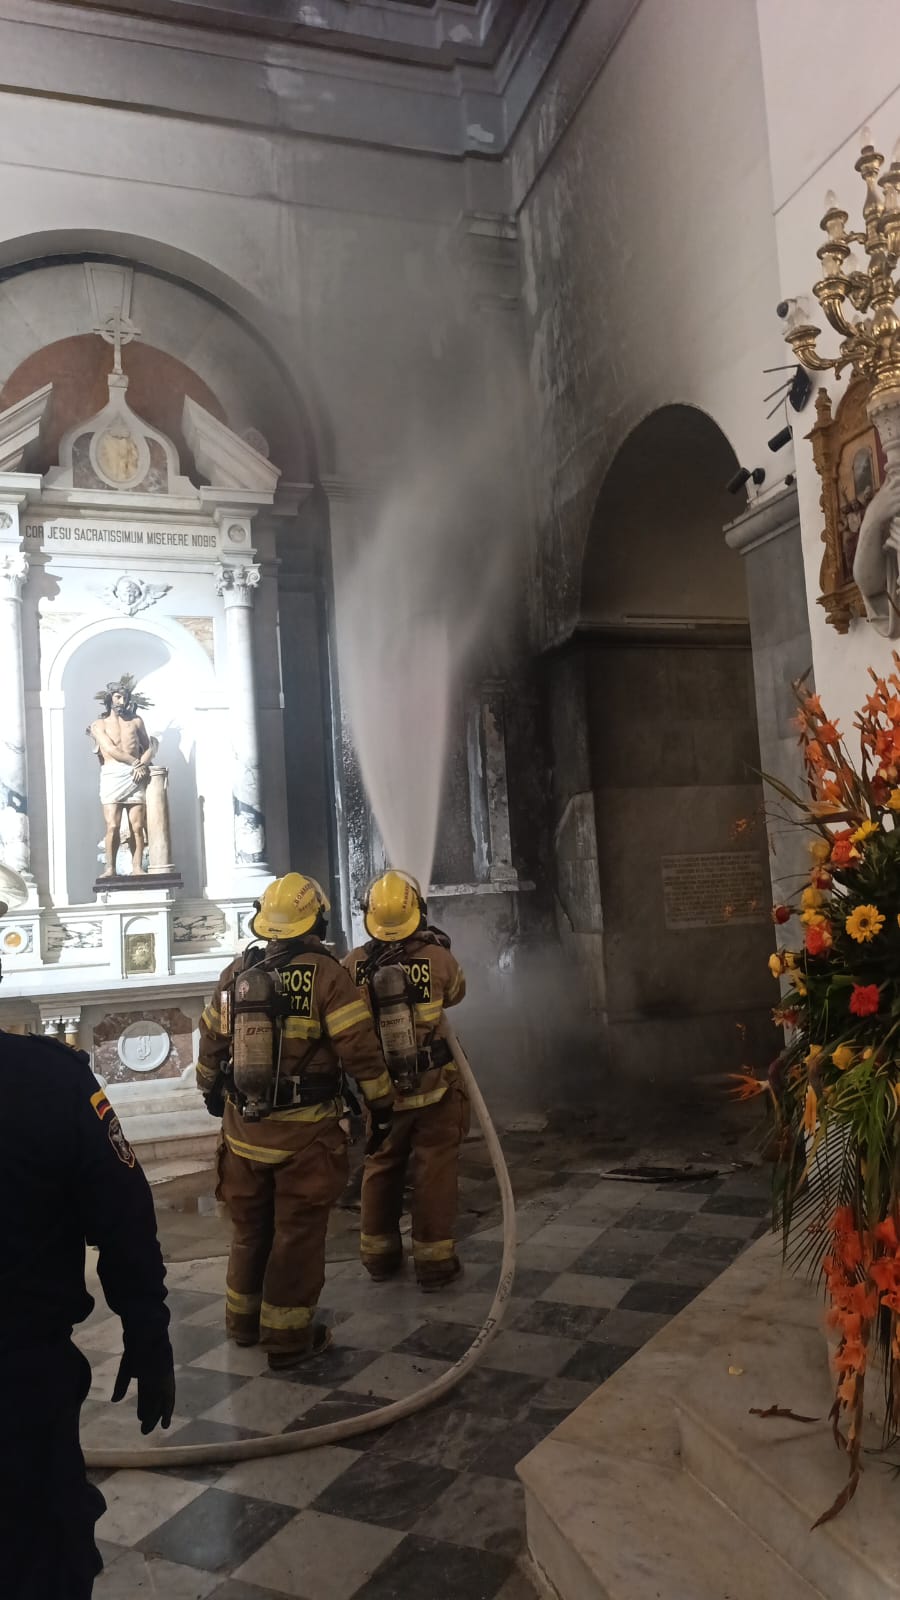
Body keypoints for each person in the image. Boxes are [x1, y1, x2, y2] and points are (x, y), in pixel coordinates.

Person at [0, 867, 175, 1598]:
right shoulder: (50, 1080)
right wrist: (149, 1331)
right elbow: (124, 1216)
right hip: (20, 1382)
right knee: (42, 1555)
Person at [197, 873, 394, 1369]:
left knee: (249, 1231)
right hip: (306, 1136)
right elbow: (362, 1053)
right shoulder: (328, 975)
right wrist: (381, 1106)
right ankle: (286, 1341)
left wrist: (211, 1094)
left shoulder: (238, 972)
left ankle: (242, 1324)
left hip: (243, 1133)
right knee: (296, 1235)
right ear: (317, 920)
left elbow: (210, 1045)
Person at [345, 869, 469, 1291]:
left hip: (380, 1094)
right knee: (434, 1168)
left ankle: (378, 1257)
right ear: (418, 911)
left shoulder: (354, 963)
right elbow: (457, 993)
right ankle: (434, 1262)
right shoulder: (437, 958)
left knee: (380, 1165)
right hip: (432, 1088)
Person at [87, 673, 155, 877]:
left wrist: (141, 764)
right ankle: (110, 868)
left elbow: (149, 746)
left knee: (137, 826)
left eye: (124, 697)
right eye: (117, 697)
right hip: (113, 773)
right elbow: (110, 748)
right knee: (113, 825)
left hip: (135, 773)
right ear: (109, 699)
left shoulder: (136, 721)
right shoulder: (99, 725)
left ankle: (137, 867)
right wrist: (136, 763)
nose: (122, 701)